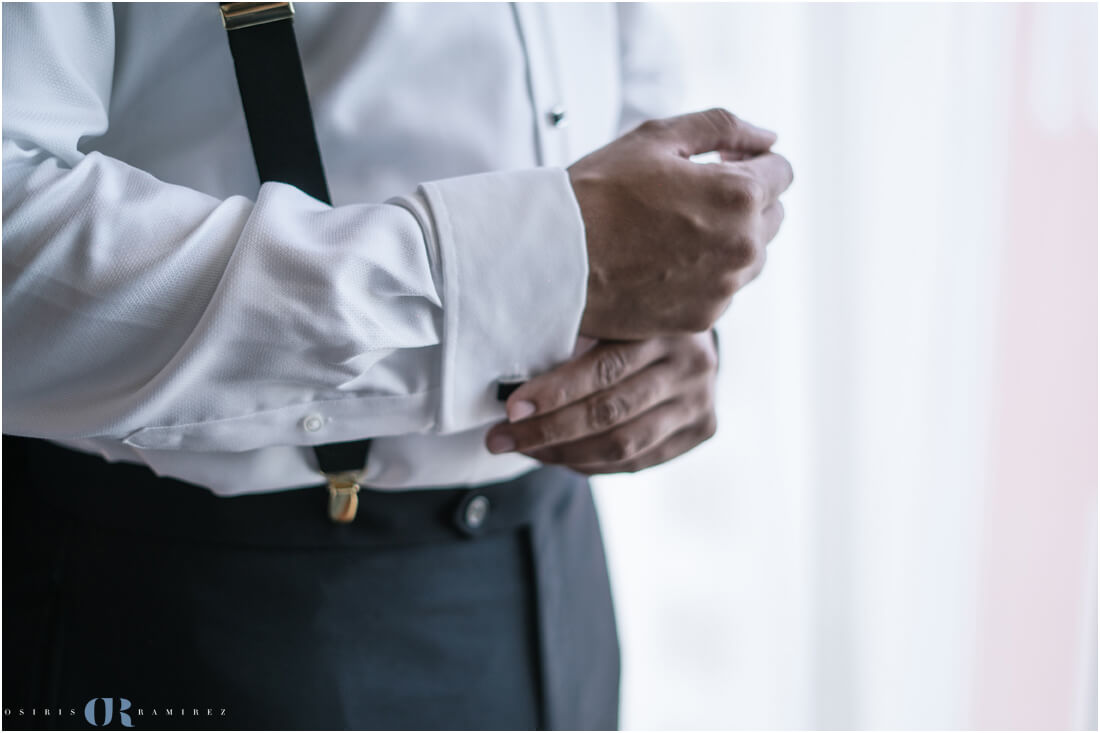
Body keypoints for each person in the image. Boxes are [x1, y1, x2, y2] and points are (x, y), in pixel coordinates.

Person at [2, 2, 792, 730]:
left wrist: (664, 321)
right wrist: (510, 267)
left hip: (559, 570)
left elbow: (615, 64)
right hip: (198, 603)